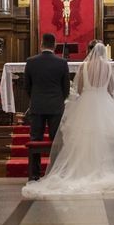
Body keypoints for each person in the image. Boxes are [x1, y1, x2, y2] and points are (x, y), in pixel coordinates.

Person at [22, 43, 114, 197]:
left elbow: (80, 88)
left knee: (83, 137)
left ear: (89, 51)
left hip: (86, 103)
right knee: (102, 137)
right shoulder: (108, 67)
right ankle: (101, 168)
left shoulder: (85, 67)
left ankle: (82, 170)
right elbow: (110, 89)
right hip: (104, 102)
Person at [24, 33, 70, 180]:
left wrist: (35, 98)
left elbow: (27, 86)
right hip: (56, 106)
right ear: (55, 45)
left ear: (41, 44)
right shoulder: (62, 63)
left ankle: (34, 174)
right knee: (56, 140)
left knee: (35, 139)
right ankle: (55, 173)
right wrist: (58, 99)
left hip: (37, 106)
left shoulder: (31, 62)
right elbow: (66, 88)